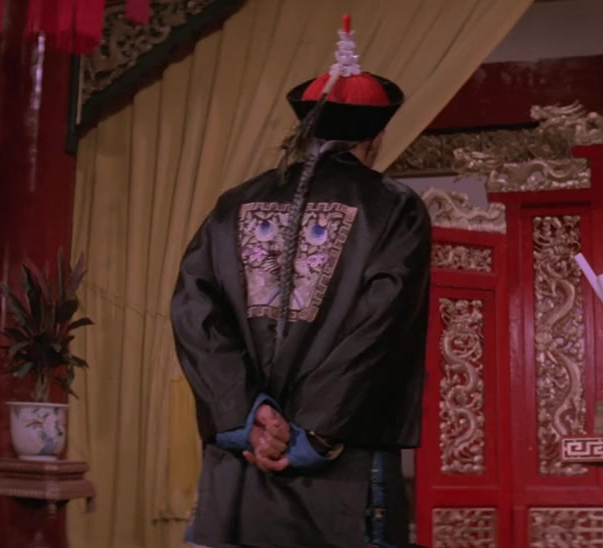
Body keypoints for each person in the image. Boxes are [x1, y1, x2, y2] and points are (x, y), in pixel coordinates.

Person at [171, 15, 431, 548]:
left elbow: (195, 313)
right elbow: (380, 327)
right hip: (339, 464)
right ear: (377, 137)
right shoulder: (394, 209)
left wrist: (248, 418)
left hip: (242, 463)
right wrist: (311, 431)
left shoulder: (234, 205)